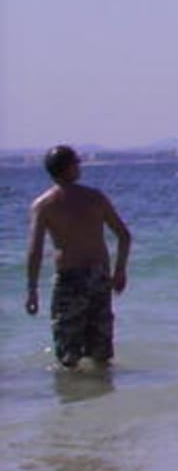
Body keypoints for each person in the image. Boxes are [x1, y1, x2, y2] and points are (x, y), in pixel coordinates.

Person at [25, 145, 132, 371]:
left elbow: (35, 251)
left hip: (69, 279)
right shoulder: (95, 198)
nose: (80, 166)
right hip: (98, 277)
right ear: (68, 168)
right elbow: (124, 236)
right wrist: (120, 271)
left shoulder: (43, 205)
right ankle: (103, 390)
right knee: (101, 353)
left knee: (68, 356)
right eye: (76, 162)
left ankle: (72, 392)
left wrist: (32, 289)